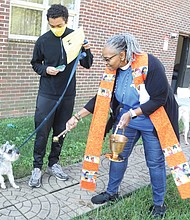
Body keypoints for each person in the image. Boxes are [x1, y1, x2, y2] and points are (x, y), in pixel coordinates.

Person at [66, 33, 179, 218]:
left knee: (155, 163)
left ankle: (159, 204)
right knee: (117, 156)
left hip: (153, 121)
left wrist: (132, 113)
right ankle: (112, 193)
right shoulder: (114, 70)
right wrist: (77, 117)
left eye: (108, 58)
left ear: (123, 55)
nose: (106, 63)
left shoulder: (151, 64)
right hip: (127, 120)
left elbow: (160, 98)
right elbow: (101, 97)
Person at [29, 4, 93, 188]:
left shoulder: (76, 38)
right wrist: (45, 69)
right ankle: (37, 167)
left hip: (67, 94)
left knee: (61, 131)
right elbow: (35, 63)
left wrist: (87, 49)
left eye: (59, 25)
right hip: (47, 94)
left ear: (66, 21)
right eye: (52, 25)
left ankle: (53, 163)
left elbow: (88, 64)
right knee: (42, 131)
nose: (55, 29)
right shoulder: (43, 40)